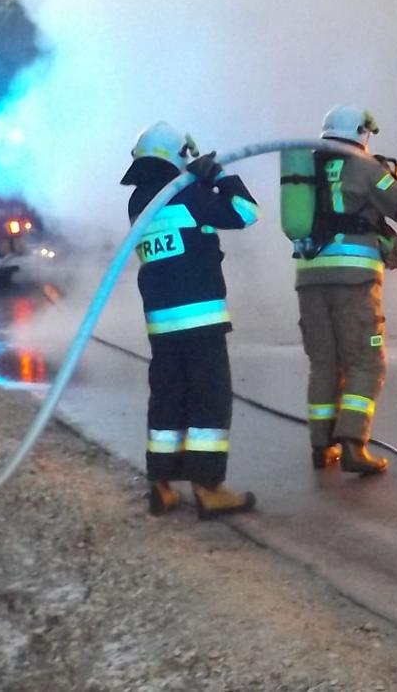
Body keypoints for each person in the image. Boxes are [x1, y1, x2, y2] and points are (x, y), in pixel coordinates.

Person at [122, 120, 261, 518]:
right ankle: (208, 487)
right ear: (179, 155)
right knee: (208, 399)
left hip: (161, 324)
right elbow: (246, 213)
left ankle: (162, 486)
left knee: (168, 397)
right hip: (200, 318)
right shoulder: (187, 194)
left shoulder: (139, 202)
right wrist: (219, 177)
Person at [293, 105, 397, 474]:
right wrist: (396, 179)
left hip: (310, 276)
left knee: (324, 362)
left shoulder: (306, 168)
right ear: (362, 132)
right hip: (354, 280)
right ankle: (352, 447)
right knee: (365, 361)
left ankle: (321, 446)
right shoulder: (365, 167)